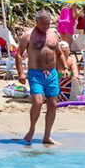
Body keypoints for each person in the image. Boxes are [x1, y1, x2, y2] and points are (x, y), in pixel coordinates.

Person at [21, 13, 62, 146]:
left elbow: (59, 53)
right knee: (38, 102)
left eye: (48, 23)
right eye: (43, 23)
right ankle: (32, 128)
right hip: (35, 73)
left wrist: (65, 67)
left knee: (53, 104)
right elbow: (18, 54)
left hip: (51, 74)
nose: (46, 26)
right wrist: (21, 73)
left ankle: (47, 136)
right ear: (37, 21)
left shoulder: (53, 34)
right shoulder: (28, 35)